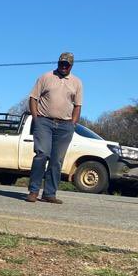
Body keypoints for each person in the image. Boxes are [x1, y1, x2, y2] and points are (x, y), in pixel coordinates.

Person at [26, 52, 83, 204]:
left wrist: (73, 123)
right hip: (44, 122)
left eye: (67, 65)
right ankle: (33, 191)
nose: (63, 67)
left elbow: (77, 105)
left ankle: (49, 193)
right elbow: (33, 98)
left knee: (57, 160)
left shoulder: (77, 82)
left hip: (65, 126)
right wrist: (36, 118)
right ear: (58, 63)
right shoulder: (46, 77)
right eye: (61, 64)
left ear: (71, 66)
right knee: (42, 154)